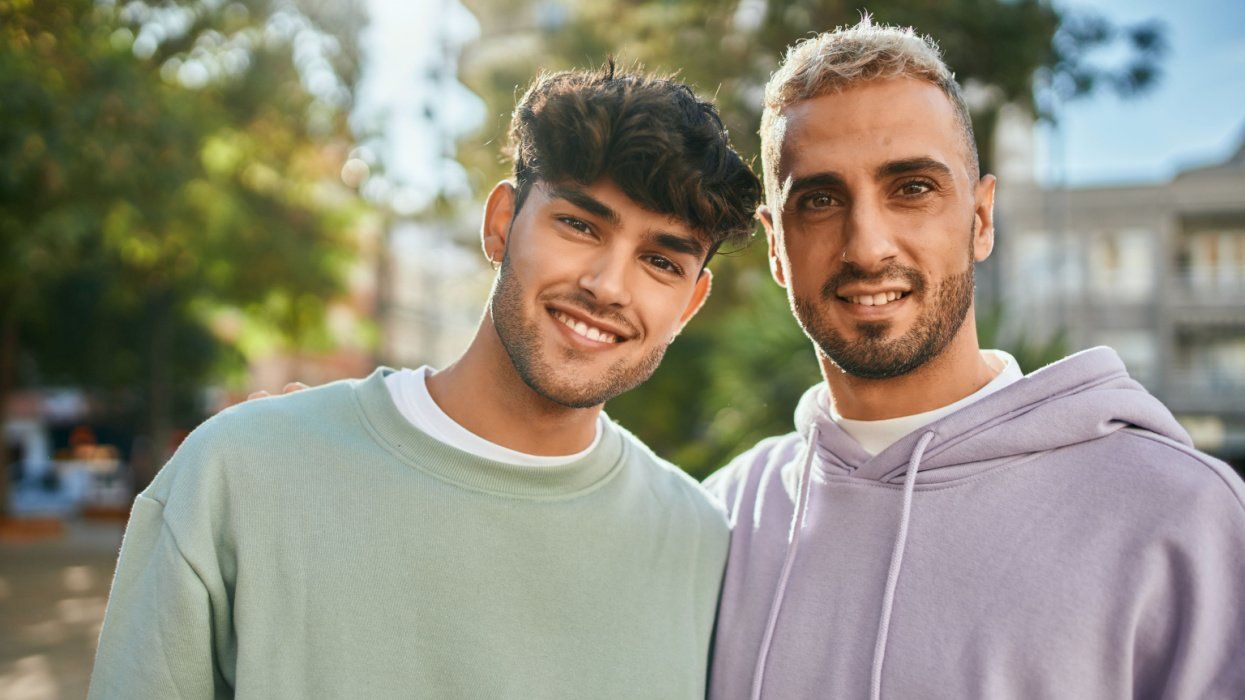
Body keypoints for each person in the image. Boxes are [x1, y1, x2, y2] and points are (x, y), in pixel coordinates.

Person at [89, 63, 762, 699]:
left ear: (690, 304)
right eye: (579, 225)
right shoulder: (239, 472)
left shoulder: (697, 542)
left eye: (660, 262)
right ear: (501, 225)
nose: (606, 285)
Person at [703, 19, 1245, 699]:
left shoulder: (1176, 513)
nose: (867, 247)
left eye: (911, 189)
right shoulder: (720, 520)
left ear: (980, 219)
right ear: (775, 248)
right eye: (817, 200)